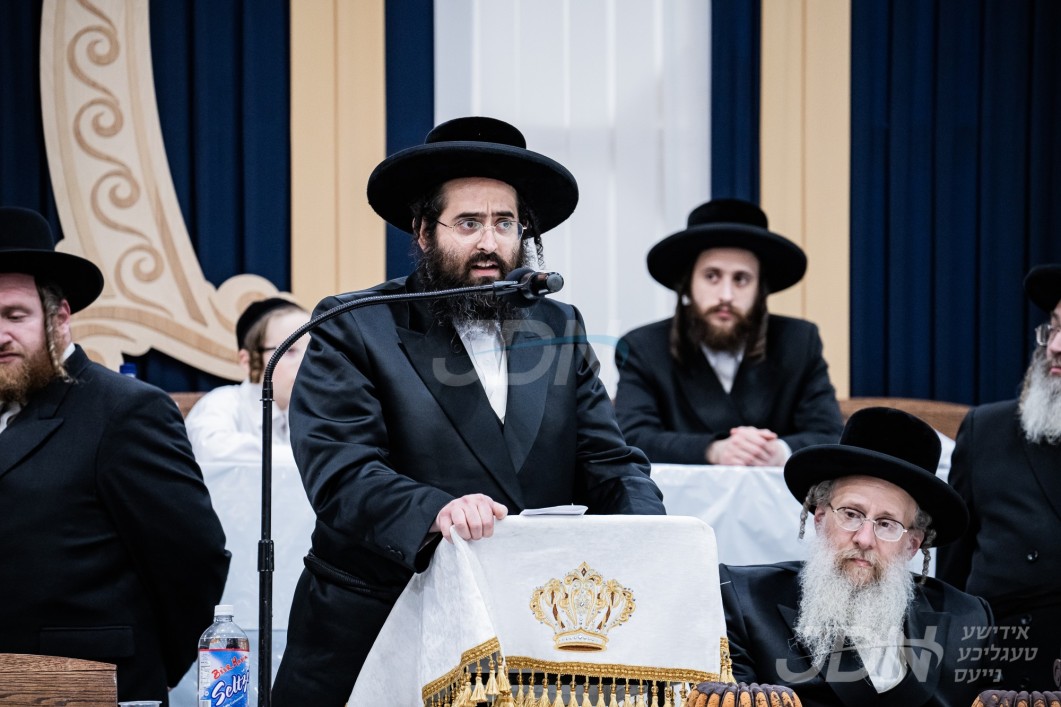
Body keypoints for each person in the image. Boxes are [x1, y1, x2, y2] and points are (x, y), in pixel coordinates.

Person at [270, 116, 666, 704]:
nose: (489, 243)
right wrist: (436, 509)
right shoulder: (354, 325)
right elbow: (342, 472)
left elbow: (608, 463)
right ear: (422, 231)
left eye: (505, 223)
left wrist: (655, 537)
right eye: (468, 223)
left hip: (521, 627)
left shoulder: (558, 325)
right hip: (378, 622)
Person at [0, 206, 230, 703]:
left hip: (90, 684)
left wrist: (155, 665)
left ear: (60, 318)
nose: (0, 335)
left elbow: (193, 558)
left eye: (14, 315)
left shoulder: (125, 409)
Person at [720, 406, 995, 707]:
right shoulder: (745, 600)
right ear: (820, 519)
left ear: (912, 545)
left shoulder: (968, 620)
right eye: (851, 514)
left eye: (887, 524)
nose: (864, 539)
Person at [614, 198, 844, 466]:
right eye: (712, 276)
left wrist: (777, 452)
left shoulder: (799, 342)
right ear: (688, 284)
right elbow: (632, 437)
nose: (726, 295)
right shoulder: (643, 348)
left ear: (760, 290)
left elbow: (830, 434)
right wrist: (714, 450)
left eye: (741, 279)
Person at [937, 263, 1061, 691]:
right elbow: (948, 583)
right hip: (998, 676)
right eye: (1053, 328)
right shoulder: (986, 431)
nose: (1056, 346)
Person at [185, 296, 308, 465]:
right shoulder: (222, 403)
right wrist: (307, 459)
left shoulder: (313, 412)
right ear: (248, 361)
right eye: (290, 350)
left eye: (313, 349)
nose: (306, 363)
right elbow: (212, 450)